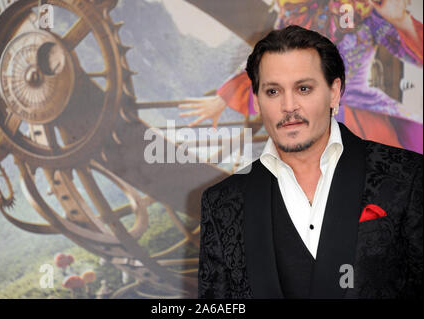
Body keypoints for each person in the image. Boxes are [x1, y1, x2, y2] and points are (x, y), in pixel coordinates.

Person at [198, 25, 422, 299]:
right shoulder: (221, 201)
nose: (289, 105)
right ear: (256, 101)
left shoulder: (408, 176)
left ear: (334, 92)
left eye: (303, 88)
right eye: (273, 92)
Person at [180, 0, 423, 154]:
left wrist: (400, 20)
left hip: (362, 117)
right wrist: (224, 98)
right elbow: (268, 62)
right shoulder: (291, 15)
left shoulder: (361, 11)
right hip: (308, 120)